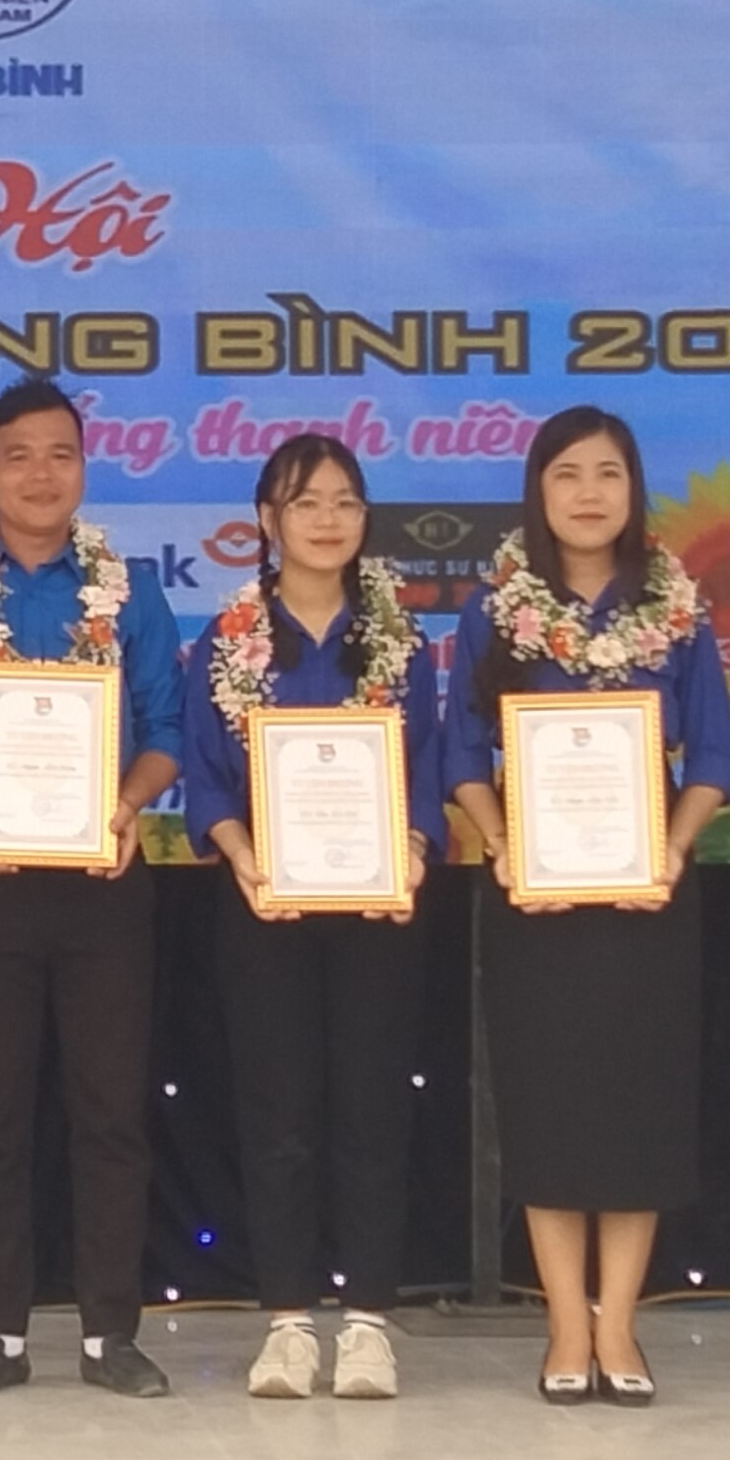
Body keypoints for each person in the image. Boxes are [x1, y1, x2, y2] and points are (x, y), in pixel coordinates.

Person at [0, 376, 185, 1400]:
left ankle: (110, 1335)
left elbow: (166, 730)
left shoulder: (128, 587)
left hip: (104, 878)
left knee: (110, 1114)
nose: (41, 474)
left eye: (60, 453)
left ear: (84, 468)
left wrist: (127, 802)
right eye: (18, 455)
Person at [440, 408, 730, 1406]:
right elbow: (460, 750)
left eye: (607, 473)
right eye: (566, 474)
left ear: (632, 488)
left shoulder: (674, 604)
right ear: (538, 490)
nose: (587, 493)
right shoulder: (495, 609)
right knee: (550, 1105)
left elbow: (715, 749)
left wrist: (672, 842)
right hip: (535, 894)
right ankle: (566, 1321)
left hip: (647, 889)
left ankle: (620, 1322)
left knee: (638, 1105)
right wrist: (500, 840)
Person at [179, 433, 444, 1404]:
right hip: (265, 903)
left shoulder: (399, 640)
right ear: (267, 519)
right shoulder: (228, 640)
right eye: (305, 502)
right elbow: (205, 773)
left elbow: (428, 764)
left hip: (376, 904)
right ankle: (287, 1320)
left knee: (371, 1109)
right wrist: (242, 853)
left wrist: (412, 844)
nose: (327, 519)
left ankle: (368, 1321)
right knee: (277, 1112)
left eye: (344, 501)